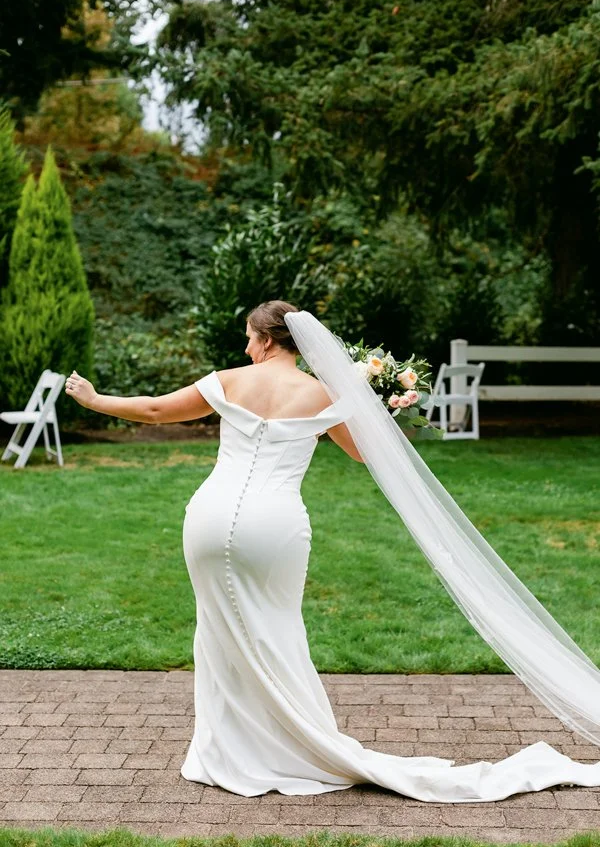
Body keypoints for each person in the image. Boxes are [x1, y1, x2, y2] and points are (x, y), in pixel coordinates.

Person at [66, 299, 600, 801]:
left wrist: (94, 400)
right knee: (277, 630)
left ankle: (226, 751)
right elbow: (365, 454)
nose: (246, 348)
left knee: (216, 630)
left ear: (267, 340)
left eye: (250, 338)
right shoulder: (322, 393)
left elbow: (155, 410)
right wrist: (381, 410)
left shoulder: (227, 381)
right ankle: (291, 742)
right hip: (274, 527)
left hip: (208, 518)